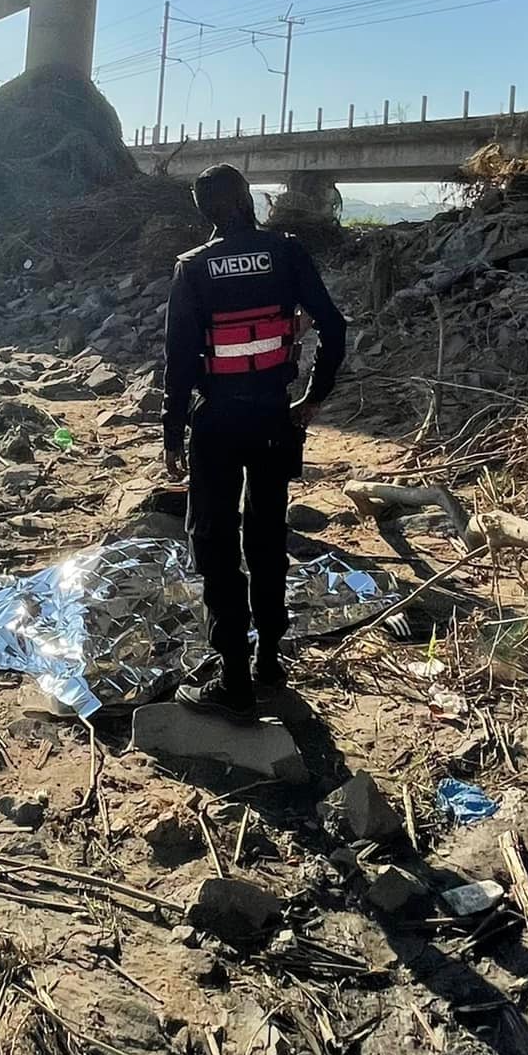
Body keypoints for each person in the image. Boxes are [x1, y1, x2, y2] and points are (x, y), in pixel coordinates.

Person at [163, 164, 346, 718]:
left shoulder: (193, 268)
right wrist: (311, 401)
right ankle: (269, 660)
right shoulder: (286, 253)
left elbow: (178, 360)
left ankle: (234, 681)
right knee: (267, 538)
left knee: (216, 546)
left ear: (202, 212)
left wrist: (172, 432)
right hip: (274, 419)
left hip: (216, 423)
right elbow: (334, 328)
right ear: (249, 200)